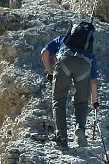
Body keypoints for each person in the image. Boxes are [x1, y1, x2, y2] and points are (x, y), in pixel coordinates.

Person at [41, 21, 99, 149]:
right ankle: (80, 128)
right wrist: (95, 101)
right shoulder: (90, 52)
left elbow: (44, 53)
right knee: (81, 102)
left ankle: (62, 138)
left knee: (59, 101)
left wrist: (50, 73)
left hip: (64, 62)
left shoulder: (62, 40)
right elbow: (93, 81)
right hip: (84, 67)